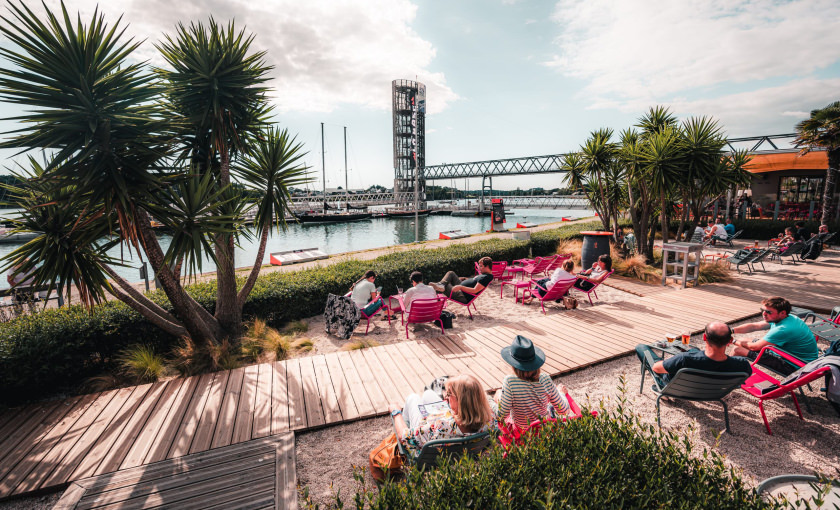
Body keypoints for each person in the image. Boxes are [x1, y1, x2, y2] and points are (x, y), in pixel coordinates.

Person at [389, 374, 496, 460]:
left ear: (461, 402)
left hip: (426, 454)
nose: (446, 397)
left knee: (413, 398)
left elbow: (404, 436)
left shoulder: (438, 427)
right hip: (462, 449)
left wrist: (395, 412)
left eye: (449, 394)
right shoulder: (490, 419)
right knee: (428, 394)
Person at [635, 322, 751, 386]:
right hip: (714, 392)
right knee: (693, 350)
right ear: (730, 341)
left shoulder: (685, 360)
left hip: (677, 387)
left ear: (704, 337)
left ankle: (661, 384)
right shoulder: (742, 365)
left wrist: (669, 362)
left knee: (642, 347)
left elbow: (657, 368)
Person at [495, 335, 570, 431]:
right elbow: (564, 410)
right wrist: (561, 393)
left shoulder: (510, 382)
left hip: (522, 434)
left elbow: (501, 415)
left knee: (498, 395)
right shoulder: (545, 379)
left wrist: (499, 398)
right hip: (544, 432)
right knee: (549, 407)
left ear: (513, 364)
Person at [731, 296, 819, 374]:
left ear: (782, 313)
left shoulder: (783, 329)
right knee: (743, 340)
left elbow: (754, 347)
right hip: (794, 357)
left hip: (795, 365)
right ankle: (731, 372)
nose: (764, 314)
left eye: (768, 312)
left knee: (737, 349)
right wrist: (730, 331)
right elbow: (755, 326)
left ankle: (723, 375)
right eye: (763, 310)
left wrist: (732, 341)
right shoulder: (788, 318)